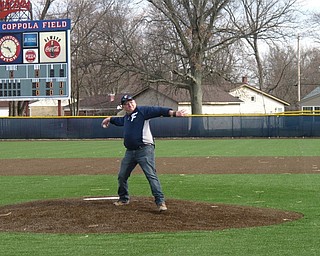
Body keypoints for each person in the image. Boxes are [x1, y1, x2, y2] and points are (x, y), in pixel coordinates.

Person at [101, 95, 187, 212]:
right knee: (122, 176)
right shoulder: (127, 117)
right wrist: (110, 119)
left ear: (134, 102)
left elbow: (158, 111)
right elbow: (120, 121)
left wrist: (174, 113)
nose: (130, 105)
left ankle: (160, 202)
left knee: (151, 175)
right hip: (130, 152)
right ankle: (123, 198)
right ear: (123, 107)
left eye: (131, 102)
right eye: (126, 104)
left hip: (144, 150)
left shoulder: (142, 111)